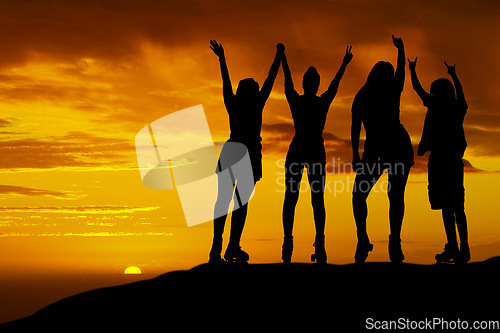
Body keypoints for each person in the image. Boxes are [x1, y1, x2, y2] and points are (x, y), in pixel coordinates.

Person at [208, 40, 284, 263]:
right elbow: (270, 80)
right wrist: (279, 56)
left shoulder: (233, 103)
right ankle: (230, 246)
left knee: (224, 201)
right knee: (239, 203)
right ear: (252, 92)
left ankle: (220, 246)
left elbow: (226, 82)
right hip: (249, 153)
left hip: (233, 151)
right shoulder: (256, 103)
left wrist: (222, 59)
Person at [281, 45, 353, 263]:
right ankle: (315, 241)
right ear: (316, 84)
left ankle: (291, 241)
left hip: (301, 149)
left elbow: (287, 82)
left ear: (305, 84)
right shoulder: (321, 102)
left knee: (293, 198)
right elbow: (334, 86)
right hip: (312, 150)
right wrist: (344, 64)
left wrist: (284, 57)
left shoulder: (300, 100)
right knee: (314, 198)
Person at [351, 36, 414, 264]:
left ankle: (391, 241)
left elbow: (354, 127)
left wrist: (355, 154)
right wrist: (401, 49)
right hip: (383, 148)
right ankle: (369, 239)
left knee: (388, 195)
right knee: (376, 196)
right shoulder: (372, 94)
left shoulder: (366, 95)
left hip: (391, 147)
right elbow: (400, 72)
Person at [408, 57, 470, 264]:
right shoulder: (457, 108)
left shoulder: (435, 105)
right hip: (453, 161)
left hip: (440, 162)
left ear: (436, 92)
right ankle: (461, 247)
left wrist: (412, 70)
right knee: (456, 206)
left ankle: (455, 247)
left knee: (446, 206)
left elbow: (417, 89)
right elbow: (462, 97)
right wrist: (454, 75)